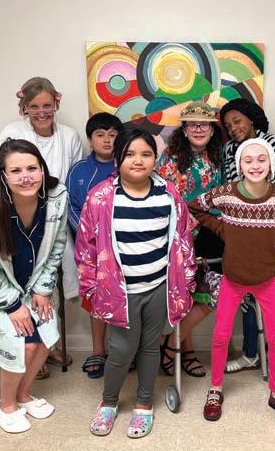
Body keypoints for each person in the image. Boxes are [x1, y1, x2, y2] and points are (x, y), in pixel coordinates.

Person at [75, 128, 196, 438]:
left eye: (146, 154)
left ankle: (144, 402)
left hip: (158, 287)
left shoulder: (168, 194)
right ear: (118, 159)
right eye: (130, 154)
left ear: (156, 159)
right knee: (121, 349)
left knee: (149, 347)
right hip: (120, 291)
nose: (138, 160)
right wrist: (90, 285)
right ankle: (109, 401)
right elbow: (86, 246)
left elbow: (183, 239)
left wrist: (185, 279)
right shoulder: (102, 197)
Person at [190, 138, 275, 425]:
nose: (255, 165)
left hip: (267, 278)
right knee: (221, 335)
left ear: (271, 163)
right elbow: (196, 206)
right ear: (240, 165)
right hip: (233, 277)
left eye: (261, 159)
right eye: (248, 160)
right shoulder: (227, 194)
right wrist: (223, 229)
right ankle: (215, 388)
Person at [0, 139, 68, 433]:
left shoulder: (57, 196)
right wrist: (12, 305)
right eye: (16, 171)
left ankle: (23, 395)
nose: (26, 177)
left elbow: (57, 246)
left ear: (42, 170)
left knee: (45, 338)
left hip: (34, 285)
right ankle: (6, 405)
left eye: (32, 168)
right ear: (3, 175)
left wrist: (43, 288)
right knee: (25, 344)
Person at [0, 77, 82, 377]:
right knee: (25, 281)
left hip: (55, 217)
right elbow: (0, 176)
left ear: (57, 102)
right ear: (24, 108)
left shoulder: (69, 137)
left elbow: (74, 179)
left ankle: (47, 345)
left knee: (49, 283)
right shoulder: (12, 133)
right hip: (21, 215)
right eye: (34, 106)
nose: (41, 112)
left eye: (47, 105)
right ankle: (26, 349)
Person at [219, 98, 275, 373]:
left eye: (237, 121)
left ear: (251, 118)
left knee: (273, 296)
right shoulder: (229, 150)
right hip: (241, 236)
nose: (233, 128)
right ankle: (251, 353)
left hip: (273, 235)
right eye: (228, 126)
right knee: (247, 297)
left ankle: (272, 355)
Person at [156, 100, 224, 378]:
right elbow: (162, 197)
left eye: (204, 125)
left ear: (212, 129)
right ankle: (187, 351)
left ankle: (170, 344)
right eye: (192, 124)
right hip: (179, 236)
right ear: (183, 129)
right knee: (185, 296)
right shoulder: (170, 158)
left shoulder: (219, 155)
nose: (198, 129)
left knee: (211, 294)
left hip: (213, 234)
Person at [66, 112, 122, 379]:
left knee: (126, 297)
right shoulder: (79, 170)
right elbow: (70, 207)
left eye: (112, 135)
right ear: (90, 139)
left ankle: (124, 351)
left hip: (124, 246)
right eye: (100, 135)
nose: (107, 140)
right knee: (96, 296)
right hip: (90, 248)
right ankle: (98, 350)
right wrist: (94, 238)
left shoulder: (128, 164)